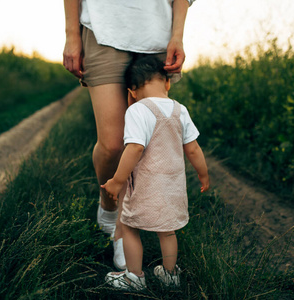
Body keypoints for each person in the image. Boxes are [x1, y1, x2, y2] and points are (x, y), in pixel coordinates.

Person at [63, 0, 196, 271]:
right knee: (113, 145)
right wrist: (71, 34)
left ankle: (122, 230)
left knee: (144, 143)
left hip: (157, 36)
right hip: (102, 30)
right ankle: (108, 204)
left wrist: (178, 36)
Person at [101, 56, 209, 291]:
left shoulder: (137, 110)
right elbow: (193, 148)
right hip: (172, 187)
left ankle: (134, 277)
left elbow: (135, 148)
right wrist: (203, 175)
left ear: (132, 91)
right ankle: (170, 274)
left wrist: (117, 181)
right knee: (167, 231)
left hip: (145, 186)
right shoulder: (181, 110)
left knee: (129, 227)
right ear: (167, 83)